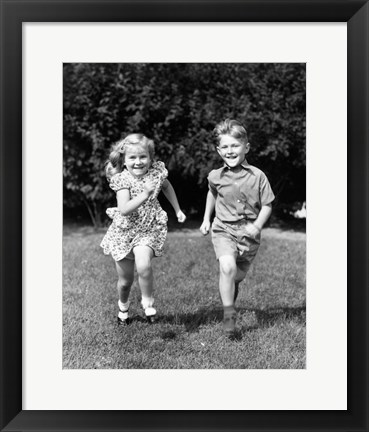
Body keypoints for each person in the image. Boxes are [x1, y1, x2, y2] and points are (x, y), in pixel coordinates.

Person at [101, 133, 186, 325]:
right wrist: (145, 193)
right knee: (125, 282)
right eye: (132, 158)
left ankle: (148, 302)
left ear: (151, 157)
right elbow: (124, 209)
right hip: (124, 232)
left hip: (147, 229)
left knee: (144, 264)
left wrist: (177, 209)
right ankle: (123, 308)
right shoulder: (122, 180)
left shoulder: (156, 173)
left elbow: (166, 186)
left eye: (143, 157)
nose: (138, 162)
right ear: (124, 160)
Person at [199, 119, 275, 336]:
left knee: (236, 276)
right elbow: (212, 193)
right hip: (223, 229)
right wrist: (206, 219)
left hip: (248, 235)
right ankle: (229, 314)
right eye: (225, 146)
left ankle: (230, 293)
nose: (230, 150)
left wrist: (258, 225)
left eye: (235, 145)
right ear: (218, 150)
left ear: (246, 147)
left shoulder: (258, 176)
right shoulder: (215, 176)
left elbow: (268, 204)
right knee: (227, 268)